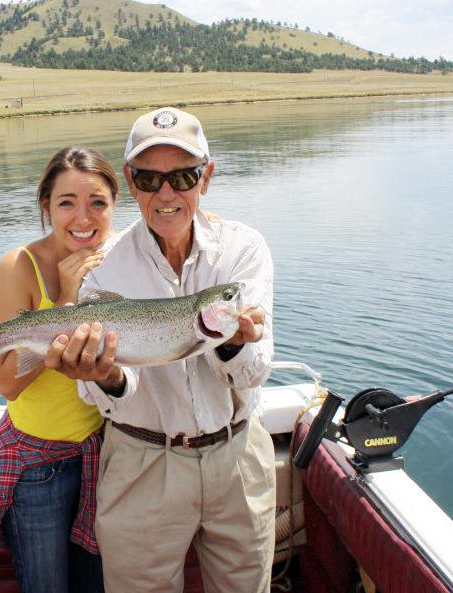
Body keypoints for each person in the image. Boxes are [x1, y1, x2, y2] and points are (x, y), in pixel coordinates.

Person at [43, 107, 277, 593]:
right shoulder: (103, 271)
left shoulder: (243, 251)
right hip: (141, 465)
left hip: (236, 457)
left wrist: (233, 348)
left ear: (206, 178)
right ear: (130, 182)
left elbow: (254, 373)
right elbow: (108, 396)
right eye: (149, 178)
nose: (166, 193)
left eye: (183, 176)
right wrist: (102, 374)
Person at [0, 146, 117, 593]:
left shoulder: (118, 260)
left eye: (97, 203)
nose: (82, 218)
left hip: (102, 456)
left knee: (96, 583)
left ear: (113, 207)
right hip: (38, 468)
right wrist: (66, 300)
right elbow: (7, 384)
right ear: (45, 206)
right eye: (67, 202)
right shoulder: (18, 266)